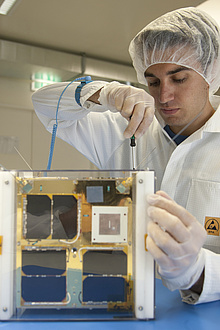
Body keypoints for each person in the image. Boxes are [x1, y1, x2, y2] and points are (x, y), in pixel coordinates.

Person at [32, 7, 220, 305]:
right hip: (122, 302)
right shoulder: (125, 127)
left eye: (179, 79)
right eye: (153, 82)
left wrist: (197, 270)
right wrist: (101, 92)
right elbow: (43, 103)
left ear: (212, 73)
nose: (163, 96)